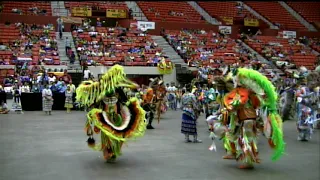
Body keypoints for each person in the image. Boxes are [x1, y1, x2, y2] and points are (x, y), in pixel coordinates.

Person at [210, 68, 285, 169]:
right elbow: (254, 104)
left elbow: (238, 104)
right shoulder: (247, 93)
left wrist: (229, 108)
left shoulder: (242, 93)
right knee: (237, 137)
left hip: (247, 119)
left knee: (247, 140)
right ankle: (240, 156)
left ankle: (248, 162)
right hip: (245, 119)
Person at [76, 65, 147, 163]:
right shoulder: (100, 90)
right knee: (107, 136)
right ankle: (108, 152)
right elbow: (94, 100)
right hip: (105, 116)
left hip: (117, 116)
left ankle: (115, 151)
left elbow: (126, 98)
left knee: (120, 136)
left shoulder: (117, 88)